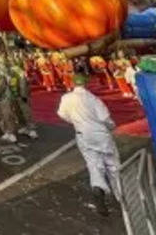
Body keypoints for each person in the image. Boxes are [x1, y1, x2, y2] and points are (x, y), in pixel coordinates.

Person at [56, 72, 121, 216]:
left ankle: (98, 188)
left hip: (83, 135)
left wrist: (75, 121)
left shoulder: (66, 98)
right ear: (86, 83)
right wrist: (112, 126)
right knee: (113, 165)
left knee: (94, 165)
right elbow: (105, 119)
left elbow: (62, 114)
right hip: (101, 134)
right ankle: (120, 195)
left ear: (73, 83)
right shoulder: (93, 99)